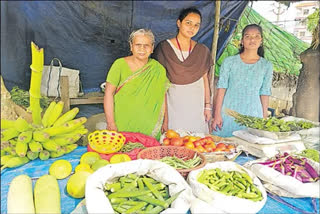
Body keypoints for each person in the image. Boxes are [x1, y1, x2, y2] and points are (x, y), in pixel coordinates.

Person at [153, 7, 213, 134]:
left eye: (196, 25)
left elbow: (205, 80)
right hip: (174, 104)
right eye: (188, 23)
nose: (192, 28)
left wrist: (207, 106)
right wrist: (164, 117)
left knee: (198, 144)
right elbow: (160, 85)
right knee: (175, 143)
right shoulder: (164, 48)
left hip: (197, 106)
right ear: (179, 23)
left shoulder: (202, 51)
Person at [104, 29, 169, 140]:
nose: (142, 49)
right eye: (138, 45)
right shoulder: (119, 65)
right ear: (131, 46)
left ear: (152, 48)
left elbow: (162, 96)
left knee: (147, 155)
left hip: (150, 125)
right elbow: (108, 94)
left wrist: (165, 121)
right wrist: (110, 122)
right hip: (122, 123)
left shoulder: (159, 69)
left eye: (146, 45)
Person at [211, 24, 273, 137]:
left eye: (256, 36)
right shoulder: (229, 62)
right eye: (248, 36)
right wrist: (217, 114)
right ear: (242, 40)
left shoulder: (266, 65)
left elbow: (264, 93)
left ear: (261, 40)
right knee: (223, 148)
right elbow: (221, 89)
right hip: (228, 113)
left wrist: (264, 119)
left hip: (253, 115)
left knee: (250, 149)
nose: (252, 39)